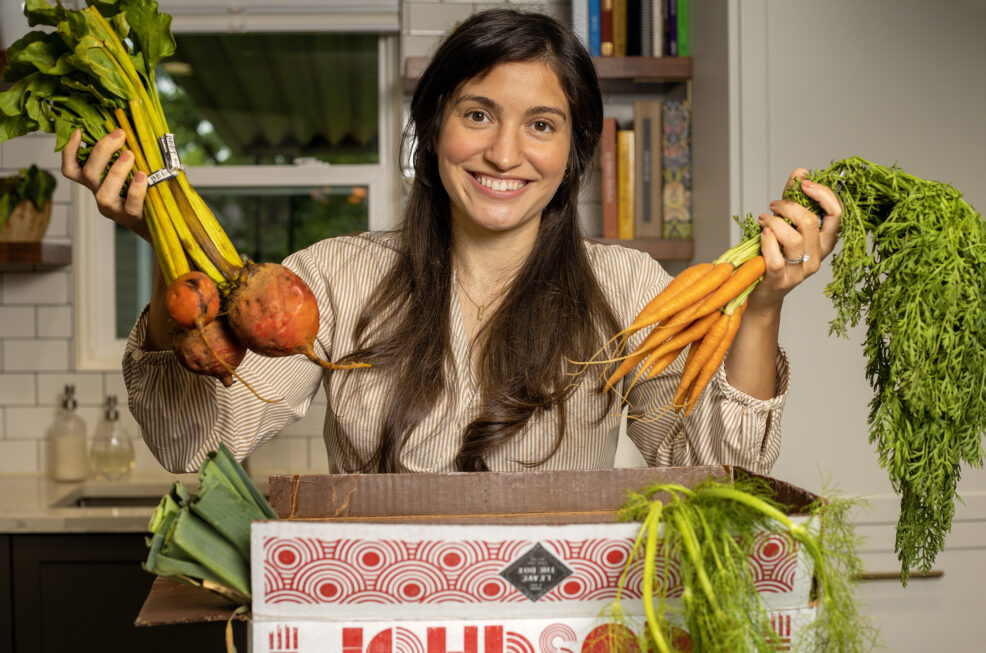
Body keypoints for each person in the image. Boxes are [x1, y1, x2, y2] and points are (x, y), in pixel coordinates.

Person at [61, 8, 841, 476]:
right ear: (433, 128)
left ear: (574, 151)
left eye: (541, 125)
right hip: (375, 622)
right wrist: (171, 273)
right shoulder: (336, 276)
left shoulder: (629, 286)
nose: (504, 153)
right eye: (477, 114)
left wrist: (764, 307)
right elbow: (192, 442)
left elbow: (709, 470)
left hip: (559, 629)